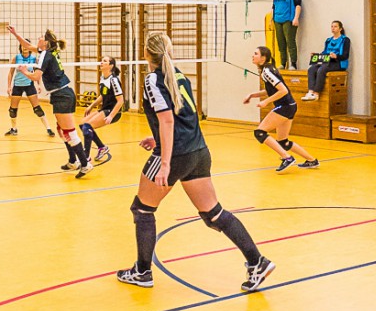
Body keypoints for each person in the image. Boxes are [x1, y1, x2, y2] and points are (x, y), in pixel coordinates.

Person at [116, 32, 275, 292]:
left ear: (146, 54)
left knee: (142, 210)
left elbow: (168, 120)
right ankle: (257, 261)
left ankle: (142, 272)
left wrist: (165, 162)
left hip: (176, 155)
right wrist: (157, 139)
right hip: (198, 151)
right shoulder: (179, 75)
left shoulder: (153, 79)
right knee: (214, 214)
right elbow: (183, 118)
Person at [7, 25, 91, 177]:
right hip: (62, 93)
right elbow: (27, 45)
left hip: (62, 94)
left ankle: (85, 163)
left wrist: (25, 71)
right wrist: (15, 33)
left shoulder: (46, 54)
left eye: (41, 37)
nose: (38, 38)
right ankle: (73, 161)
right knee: (61, 130)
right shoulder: (47, 52)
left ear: (45, 42)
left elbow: (36, 77)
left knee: (69, 131)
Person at [244, 46, 319, 172]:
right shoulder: (267, 70)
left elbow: (283, 90)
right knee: (283, 141)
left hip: (284, 106)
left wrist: (266, 102)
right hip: (289, 106)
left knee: (260, 133)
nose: (253, 56)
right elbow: (271, 90)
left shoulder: (267, 71)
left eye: (255, 53)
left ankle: (287, 158)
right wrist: (253, 95)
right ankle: (312, 160)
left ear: (263, 58)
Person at [80, 56, 124, 164]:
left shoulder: (114, 80)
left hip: (114, 111)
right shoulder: (103, 78)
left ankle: (86, 157)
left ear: (111, 65)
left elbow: (121, 101)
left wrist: (111, 116)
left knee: (87, 127)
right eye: (102, 60)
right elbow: (102, 95)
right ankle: (102, 147)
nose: (101, 62)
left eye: (105, 61)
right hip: (105, 109)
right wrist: (91, 106)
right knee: (83, 125)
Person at [4, 44, 55, 137]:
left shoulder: (33, 59)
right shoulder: (16, 58)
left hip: (29, 85)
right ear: (20, 47)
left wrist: (38, 85)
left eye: (26, 46)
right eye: (23, 46)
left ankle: (48, 128)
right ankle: (14, 129)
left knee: (37, 109)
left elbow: (37, 73)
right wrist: (9, 86)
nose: (24, 47)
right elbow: (10, 73)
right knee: (12, 110)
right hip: (17, 85)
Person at [302, 21, 350, 101]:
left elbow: (346, 55)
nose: (333, 28)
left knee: (322, 69)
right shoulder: (328, 40)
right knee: (312, 69)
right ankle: (310, 92)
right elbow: (324, 53)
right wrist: (316, 55)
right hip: (328, 62)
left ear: (340, 29)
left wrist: (336, 56)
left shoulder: (345, 40)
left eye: (335, 26)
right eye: (332, 26)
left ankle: (316, 93)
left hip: (339, 63)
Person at [272, 0, 303, 70]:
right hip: (278, 20)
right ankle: (283, 63)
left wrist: (296, 18)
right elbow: (274, 7)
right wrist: (271, 19)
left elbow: (298, 5)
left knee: (290, 41)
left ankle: (293, 63)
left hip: (289, 20)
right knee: (280, 42)